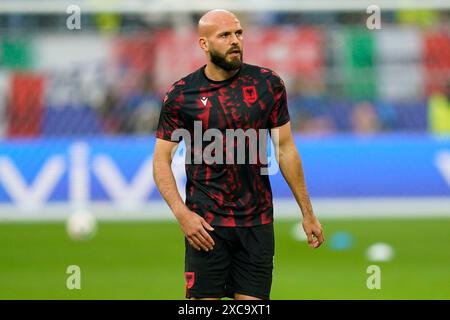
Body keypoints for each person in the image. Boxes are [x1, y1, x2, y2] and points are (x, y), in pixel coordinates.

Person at [152, 9, 324, 300]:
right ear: (204, 44)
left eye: (238, 33)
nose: (235, 41)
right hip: (206, 225)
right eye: (224, 35)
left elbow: (285, 149)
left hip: (256, 225)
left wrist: (307, 213)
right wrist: (183, 215)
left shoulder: (268, 85)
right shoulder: (182, 94)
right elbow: (161, 160)